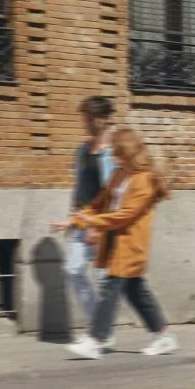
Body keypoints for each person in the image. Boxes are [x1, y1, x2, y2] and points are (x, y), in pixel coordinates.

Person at [53, 127, 179, 359]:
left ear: (127, 150)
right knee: (135, 291)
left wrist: (94, 222)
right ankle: (164, 336)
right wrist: (74, 221)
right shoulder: (119, 175)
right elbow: (99, 203)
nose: (112, 155)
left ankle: (96, 339)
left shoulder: (144, 179)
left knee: (110, 288)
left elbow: (127, 214)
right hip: (114, 241)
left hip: (131, 244)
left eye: (116, 150)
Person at [66, 96, 115, 346]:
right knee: (73, 270)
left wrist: (99, 226)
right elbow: (79, 186)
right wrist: (72, 217)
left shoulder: (112, 154)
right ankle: (100, 327)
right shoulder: (82, 151)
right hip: (82, 221)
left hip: (102, 224)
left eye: (91, 118)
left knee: (103, 278)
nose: (86, 122)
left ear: (105, 119)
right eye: (84, 117)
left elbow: (113, 193)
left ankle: (100, 333)